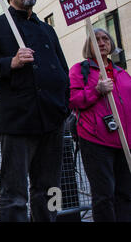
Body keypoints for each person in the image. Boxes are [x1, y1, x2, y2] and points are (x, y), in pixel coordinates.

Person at [0, 0, 70, 222]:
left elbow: (63, 70)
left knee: (51, 190)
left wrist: (64, 106)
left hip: (52, 121)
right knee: (14, 195)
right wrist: (11, 62)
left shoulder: (47, 30)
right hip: (18, 123)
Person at [69, 28, 131, 222]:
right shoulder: (80, 70)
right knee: (104, 195)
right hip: (96, 140)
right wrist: (96, 90)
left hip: (124, 142)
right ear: (89, 46)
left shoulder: (122, 73)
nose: (102, 42)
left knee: (126, 193)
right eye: (96, 39)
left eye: (105, 39)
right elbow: (72, 100)